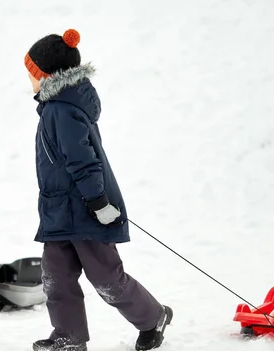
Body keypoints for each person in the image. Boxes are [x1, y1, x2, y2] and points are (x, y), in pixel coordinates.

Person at [23, 29, 173, 351]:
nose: (30, 82)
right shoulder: (55, 108)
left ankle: (154, 317)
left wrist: (98, 202)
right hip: (58, 212)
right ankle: (69, 338)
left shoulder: (60, 111)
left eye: (32, 74)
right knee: (57, 280)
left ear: (47, 76)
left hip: (86, 211)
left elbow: (83, 161)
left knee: (107, 279)